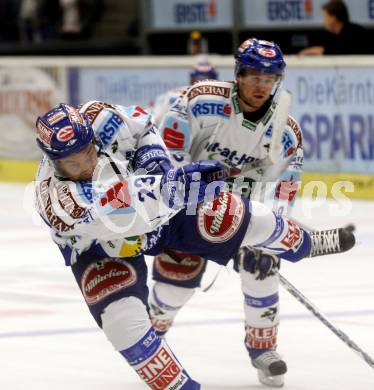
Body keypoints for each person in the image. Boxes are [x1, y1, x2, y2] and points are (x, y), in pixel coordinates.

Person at [34, 101, 354, 389]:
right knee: (122, 324)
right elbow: (121, 213)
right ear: (52, 160)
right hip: (99, 247)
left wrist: (156, 161)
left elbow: (143, 126)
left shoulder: (102, 118)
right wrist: (171, 188)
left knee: (232, 215)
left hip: (158, 208)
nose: (86, 166)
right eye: (74, 164)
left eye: (88, 153)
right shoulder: (55, 199)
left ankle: (305, 242)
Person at [148, 37, 320, 387]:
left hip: (246, 212)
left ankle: (263, 350)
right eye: (254, 76)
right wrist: (183, 204)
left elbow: (283, 192)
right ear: (238, 74)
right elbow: (166, 156)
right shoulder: (199, 101)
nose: (261, 86)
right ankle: (152, 330)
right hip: (189, 206)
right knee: (175, 285)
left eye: (269, 79)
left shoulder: (287, 132)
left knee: (264, 268)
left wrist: (268, 237)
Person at [151, 56, 219, 127]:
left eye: (208, 79)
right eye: (200, 79)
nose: (204, 82)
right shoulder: (174, 94)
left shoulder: (222, 98)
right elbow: (156, 119)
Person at [299, 0, 369, 55]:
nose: (324, 21)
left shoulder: (356, 33)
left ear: (334, 18)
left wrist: (318, 50)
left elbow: (343, 51)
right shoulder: (334, 36)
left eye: (325, 17)